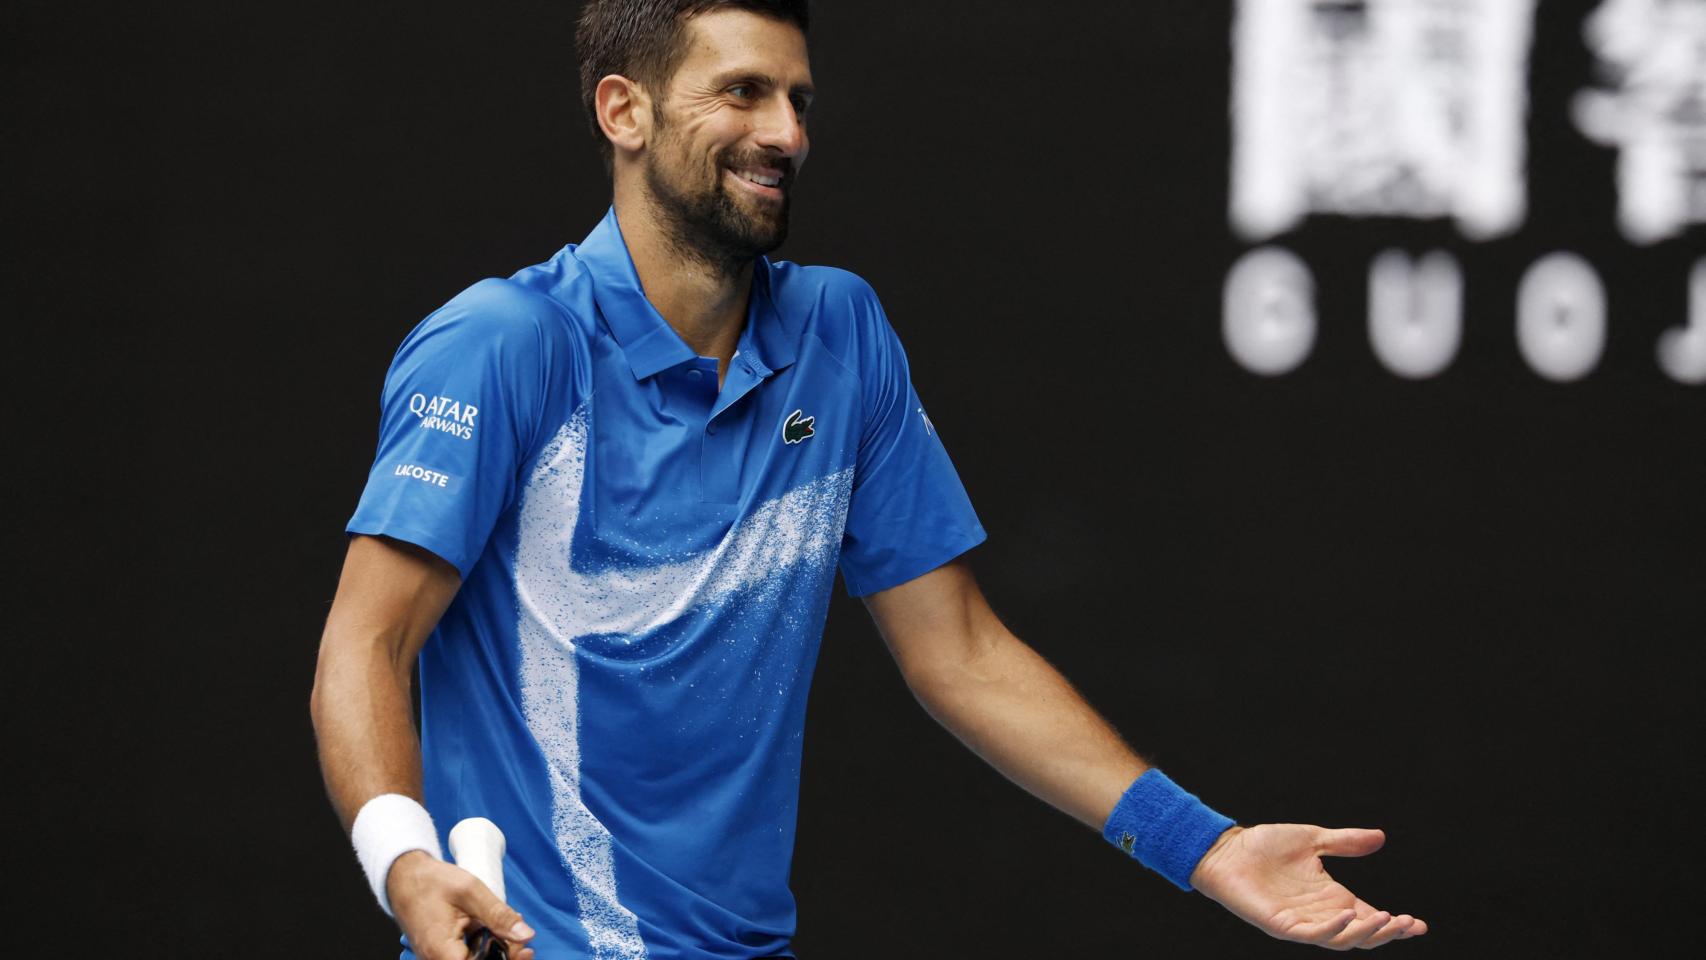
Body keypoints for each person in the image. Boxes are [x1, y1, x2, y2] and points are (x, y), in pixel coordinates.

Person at [310, 2, 1430, 958]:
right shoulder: (503, 345)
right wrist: (405, 863)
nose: (784, 132)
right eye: (741, 93)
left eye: (798, 100)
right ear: (624, 112)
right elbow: (367, 645)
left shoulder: (839, 333)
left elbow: (960, 654)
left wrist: (1208, 846)